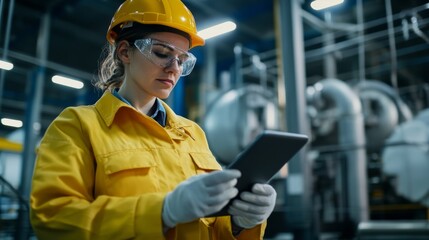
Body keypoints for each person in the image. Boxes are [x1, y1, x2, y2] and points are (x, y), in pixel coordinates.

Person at [29, 0, 277, 239]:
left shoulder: (192, 133)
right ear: (125, 52)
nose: (174, 68)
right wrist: (163, 212)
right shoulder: (77, 127)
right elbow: (54, 219)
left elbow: (212, 226)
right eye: (162, 53)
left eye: (182, 60)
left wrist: (241, 222)